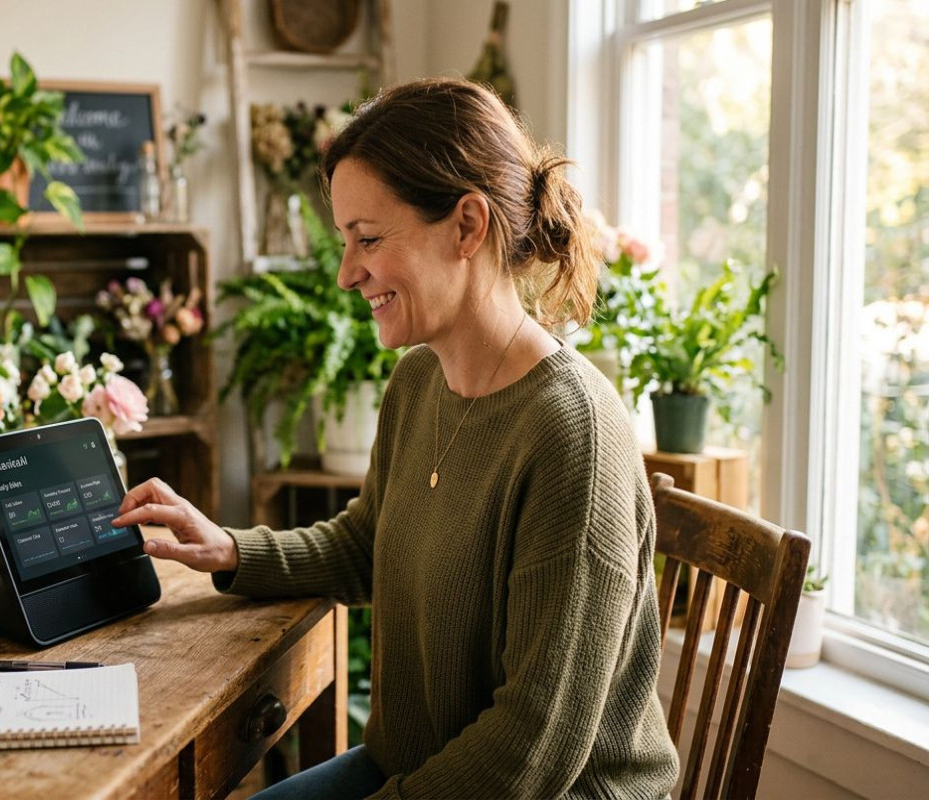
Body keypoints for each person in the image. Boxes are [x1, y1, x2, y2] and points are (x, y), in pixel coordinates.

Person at [112, 78, 680, 799]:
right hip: (414, 770)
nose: (349, 273)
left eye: (369, 239)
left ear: (467, 226)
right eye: (346, 241)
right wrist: (229, 548)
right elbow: (366, 544)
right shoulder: (419, 382)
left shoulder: (574, 434)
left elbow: (529, 751)